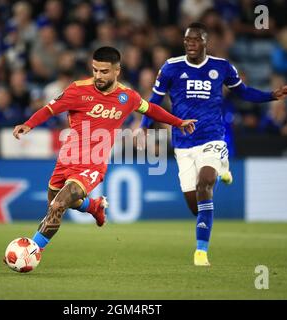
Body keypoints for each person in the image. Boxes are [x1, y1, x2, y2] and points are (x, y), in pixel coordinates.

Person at [138, 23, 287, 266]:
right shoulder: (171, 67)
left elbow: (243, 92)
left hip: (211, 137)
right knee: (196, 206)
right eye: (187, 40)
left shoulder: (221, 67)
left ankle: (201, 252)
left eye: (195, 40)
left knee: (205, 184)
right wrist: (142, 128)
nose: (190, 44)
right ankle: (223, 168)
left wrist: (271, 95)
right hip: (182, 144)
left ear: (205, 42)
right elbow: (155, 101)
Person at [11, 46, 197, 254]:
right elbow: (49, 109)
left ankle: (32, 252)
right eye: (95, 70)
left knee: (57, 206)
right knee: (55, 202)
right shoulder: (77, 90)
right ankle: (93, 206)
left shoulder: (127, 97)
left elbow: (151, 109)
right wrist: (28, 124)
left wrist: (178, 122)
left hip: (93, 163)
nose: (98, 76)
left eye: (104, 71)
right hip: (67, 159)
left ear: (117, 71)